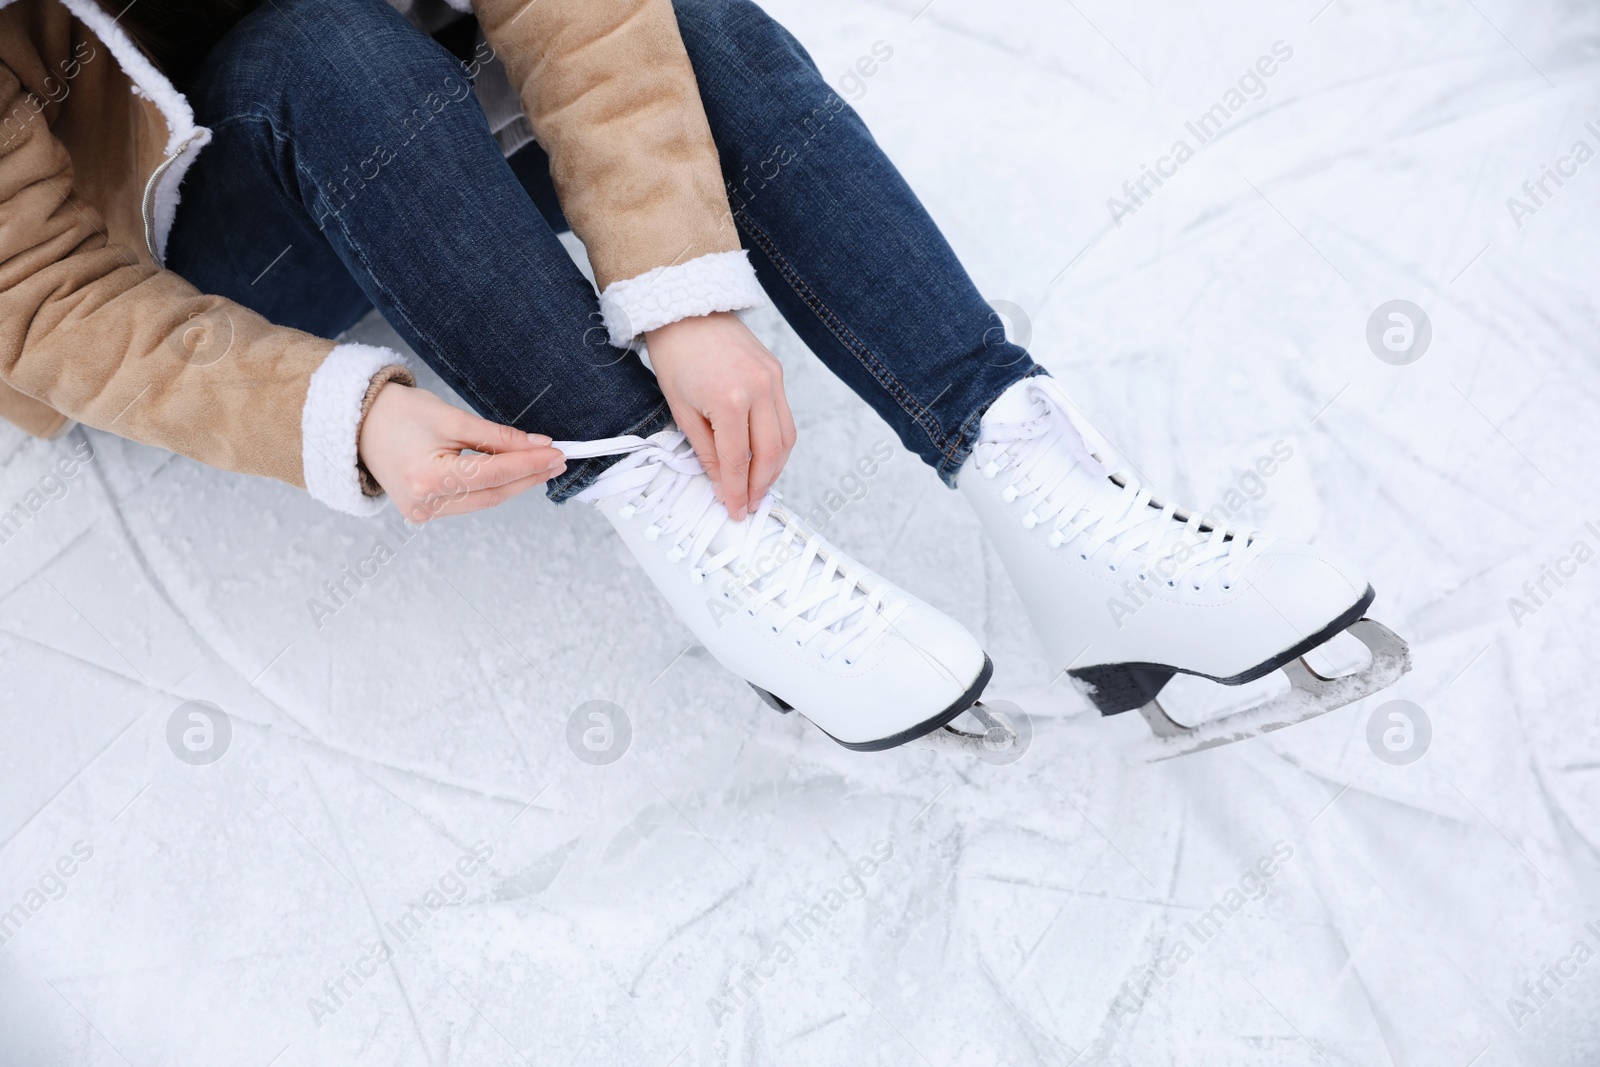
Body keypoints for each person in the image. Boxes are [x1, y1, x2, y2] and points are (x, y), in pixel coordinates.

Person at [0, 0, 1405, 753]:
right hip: (208, 231)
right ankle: (687, 518)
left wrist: (679, 290)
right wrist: (353, 413)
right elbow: (45, 297)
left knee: (697, 23)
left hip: (424, 60)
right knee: (322, 48)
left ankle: (1043, 493)